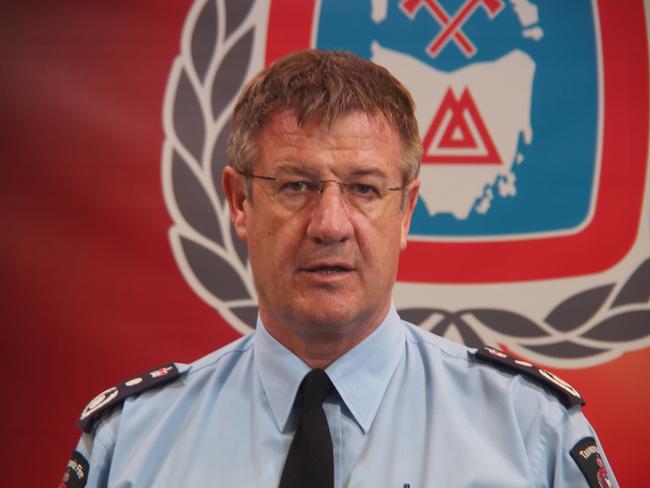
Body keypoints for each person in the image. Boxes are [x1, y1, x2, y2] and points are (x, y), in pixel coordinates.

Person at [61, 50, 617, 488]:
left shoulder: (532, 434)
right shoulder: (130, 445)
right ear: (239, 202)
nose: (330, 224)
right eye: (296, 185)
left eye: (365, 189)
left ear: (405, 211)